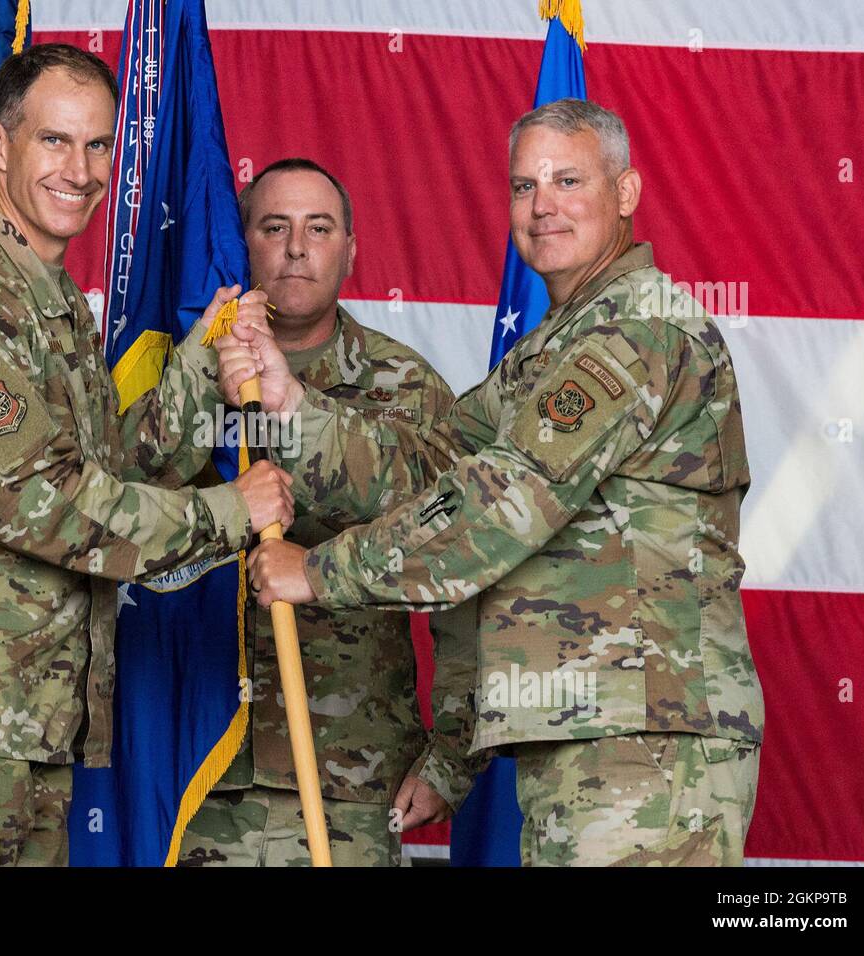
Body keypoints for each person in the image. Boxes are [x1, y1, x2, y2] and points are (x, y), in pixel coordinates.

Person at [222, 99, 764, 866]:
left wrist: (317, 571)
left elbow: (499, 504)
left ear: (627, 192)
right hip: (590, 730)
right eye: (523, 187)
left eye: (568, 179)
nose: (542, 205)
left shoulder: (637, 334)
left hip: (648, 738)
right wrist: (293, 405)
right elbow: (436, 463)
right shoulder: (554, 347)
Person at [0, 43, 294, 867]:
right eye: (54, 141)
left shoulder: (56, 307)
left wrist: (197, 365)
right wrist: (228, 513)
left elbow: (109, 471)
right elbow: (44, 501)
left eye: (99, 145)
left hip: (22, 725)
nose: (80, 169)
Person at [177, 159, 485, 868]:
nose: (295, 248)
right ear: (242, 243)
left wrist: (452, 753)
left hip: (349, 775)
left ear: (351, 249)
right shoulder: (187, 374)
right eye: (274, 227)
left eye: (319, 229)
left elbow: (463, 564)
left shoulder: (404, 385)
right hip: (195, 763)